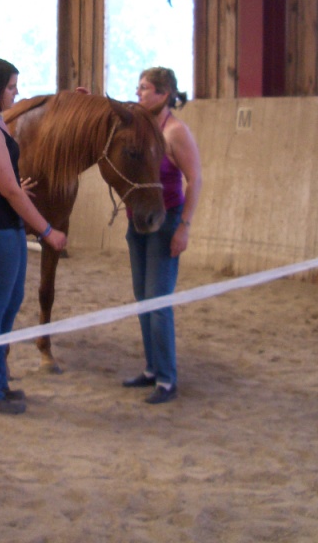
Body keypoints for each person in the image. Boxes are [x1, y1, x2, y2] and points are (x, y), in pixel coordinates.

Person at [0, 57, 67, 415]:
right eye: (10, 87)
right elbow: (8, 190)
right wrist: (47, 230)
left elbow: (0, 179)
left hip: (3, 223)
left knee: (9, 301)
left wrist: (12, 186)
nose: (15, 93)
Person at [121, 66, 202, 404]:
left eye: (144, 88)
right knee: (143, 298)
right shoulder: (140, 125)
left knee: (158, 300)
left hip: (165, 221)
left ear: (163, 94)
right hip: (137, 222)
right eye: (138, 87)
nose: (138, 93)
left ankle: (167, 378)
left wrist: (184, 226)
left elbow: (194, 180)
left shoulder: (176, 132)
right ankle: (152, 368)